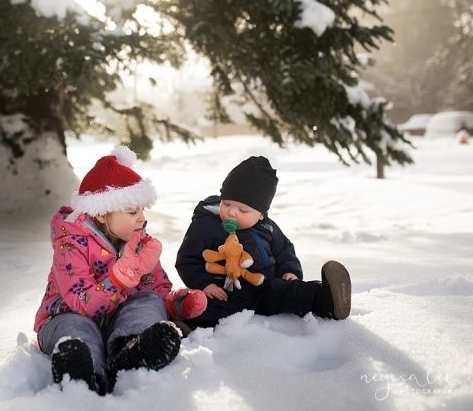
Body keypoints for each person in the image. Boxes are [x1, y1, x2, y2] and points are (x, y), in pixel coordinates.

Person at [34, 147, 206, 395]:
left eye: (143, 210)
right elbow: (81, 303)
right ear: (103, 214)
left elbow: (154, 289)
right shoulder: (70, 243)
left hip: (117, 321)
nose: (142, 218)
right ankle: (83, 370)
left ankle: (131, 350)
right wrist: (120, 277)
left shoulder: (138, 241)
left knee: (147, 299)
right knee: (78, 328)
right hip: (64, 318)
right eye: (132, 211)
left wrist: (177, 304)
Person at [176, 155, 351, 329]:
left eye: (243, 210)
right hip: (227, 292)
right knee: (205, 307)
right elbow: (187, 260)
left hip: (265, 287)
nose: (231, 212)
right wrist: (205, 284)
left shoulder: (268, 227)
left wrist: (290, 271)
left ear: (261, 214)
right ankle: (183, 328)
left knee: (291, 291)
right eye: (227, 204)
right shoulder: (206, 225)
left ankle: (327, 301)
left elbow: (285, 250)